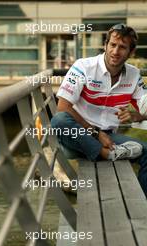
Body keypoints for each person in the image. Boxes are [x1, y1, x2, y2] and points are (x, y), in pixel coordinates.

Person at [51, 24, 147, 196]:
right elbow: (63, 107)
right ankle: (107, 154)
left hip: (110, 138)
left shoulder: (133, 75)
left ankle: (141, 203)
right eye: (112, 45)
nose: (115, 52)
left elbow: (145, 106)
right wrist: (96, 133)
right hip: (79, 136)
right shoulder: (83, 66)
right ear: (105, 45)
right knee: (59, 121)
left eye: (122, 47)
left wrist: (137, 115)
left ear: (131, 52)